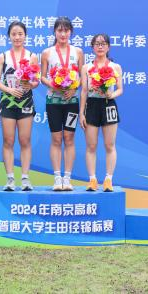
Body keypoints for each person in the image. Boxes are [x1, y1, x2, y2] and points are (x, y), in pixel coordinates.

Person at [0, 21, 39, 191]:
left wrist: (30, 84)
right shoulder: (3, 57)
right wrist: (9, 90)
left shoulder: (32, 56)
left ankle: (25, 178)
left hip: (25, 102)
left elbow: (36, 80)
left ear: (25, 36)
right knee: (8, 140)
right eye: (14, 34)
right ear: (9, 36)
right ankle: (10, 179)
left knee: (25, 140)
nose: (17, 37)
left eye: (20, 34)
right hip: (8, 102)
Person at [40, 17, 84, 191]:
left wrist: (74, 88)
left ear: (71, 32)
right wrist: (54, 85)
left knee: (69, 138)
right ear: (55, 32)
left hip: (71, 102)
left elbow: (82, 76)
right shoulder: (47, 53)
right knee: (56, 139)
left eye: (66, 30)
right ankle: (57, 178)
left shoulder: (78, 52)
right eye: (60, 30)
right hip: (53, 102)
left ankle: (68, 178)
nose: (63, 34)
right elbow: (42, 76)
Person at [79, 34, 123, 192]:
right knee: (91, 145)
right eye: (97, 44)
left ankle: (108, 179)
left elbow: (120, 89)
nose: (100, 46)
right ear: (92, 47)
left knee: (109, 145)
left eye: (103, 44)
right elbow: (84, 91)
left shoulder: (115, 67)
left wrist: (112, 94)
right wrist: (81, 113)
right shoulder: (86, 68)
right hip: (91, 105)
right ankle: (92, 179)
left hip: (108, 105)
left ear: (108, 47)